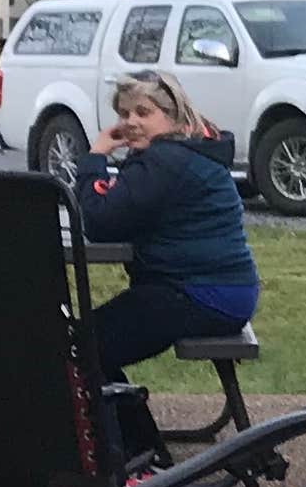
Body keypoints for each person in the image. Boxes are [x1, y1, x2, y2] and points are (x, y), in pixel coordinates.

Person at [69, 72, 259, 461]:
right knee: (86, 342)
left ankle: (137, 456)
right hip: (219, 289)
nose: (131, 121)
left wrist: (95, 157)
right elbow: (118, 210)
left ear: (173, 117)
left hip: (199, 293)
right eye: (124, 113)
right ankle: (131, 447)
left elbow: (100, 221)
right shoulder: (184, 153)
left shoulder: (165, 160)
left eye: (144, 111)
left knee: (81, 347)